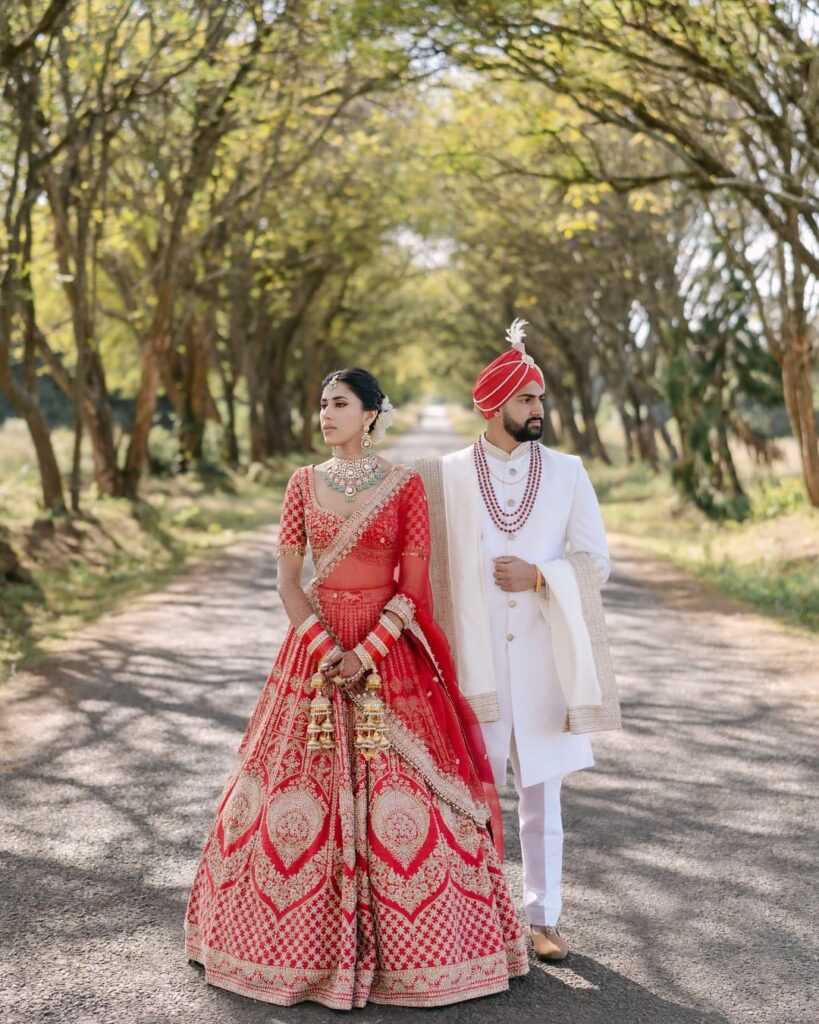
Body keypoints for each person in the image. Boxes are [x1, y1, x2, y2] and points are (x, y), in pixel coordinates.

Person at [184, 368, 528, 1010]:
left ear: (371, 414)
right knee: (288, 792)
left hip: (386, 652)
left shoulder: (404, 487)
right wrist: (325, 649)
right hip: (313, 652)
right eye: (321, 404)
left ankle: (426, 953)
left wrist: (367, 651)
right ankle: (285, 949)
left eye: (339, 404)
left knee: (408, 794)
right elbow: (289, 581)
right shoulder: (300, 483)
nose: (325, 414)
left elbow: (414, 586)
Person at [416, 320, 621, 963]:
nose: (539, 410)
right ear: (494, 405)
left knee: (541, 798)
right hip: (468, 660)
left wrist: (540, 577)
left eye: (540, 400)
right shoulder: (445, 475)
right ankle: (465, 920)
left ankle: (545, 918)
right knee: (462, 793)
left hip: (542, 658)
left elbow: (596, 560)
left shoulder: (566, 473)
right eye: (528, 400)